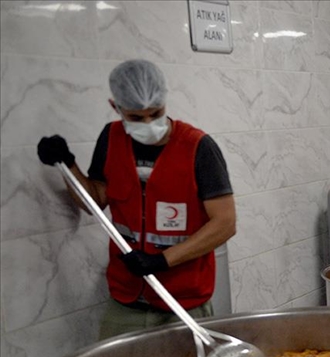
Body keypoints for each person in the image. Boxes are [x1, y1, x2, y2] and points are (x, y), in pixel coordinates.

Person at [36, 59, 236, 340]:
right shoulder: (111, 139)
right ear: (115, 106)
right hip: (126, 298)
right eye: (136, 118)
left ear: (165, 102)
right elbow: (95, 200)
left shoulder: (198, 148)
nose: (148, 124)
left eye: (156, 114)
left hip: (183, 299)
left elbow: (225, 223)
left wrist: (162, 261)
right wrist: (67, 165)